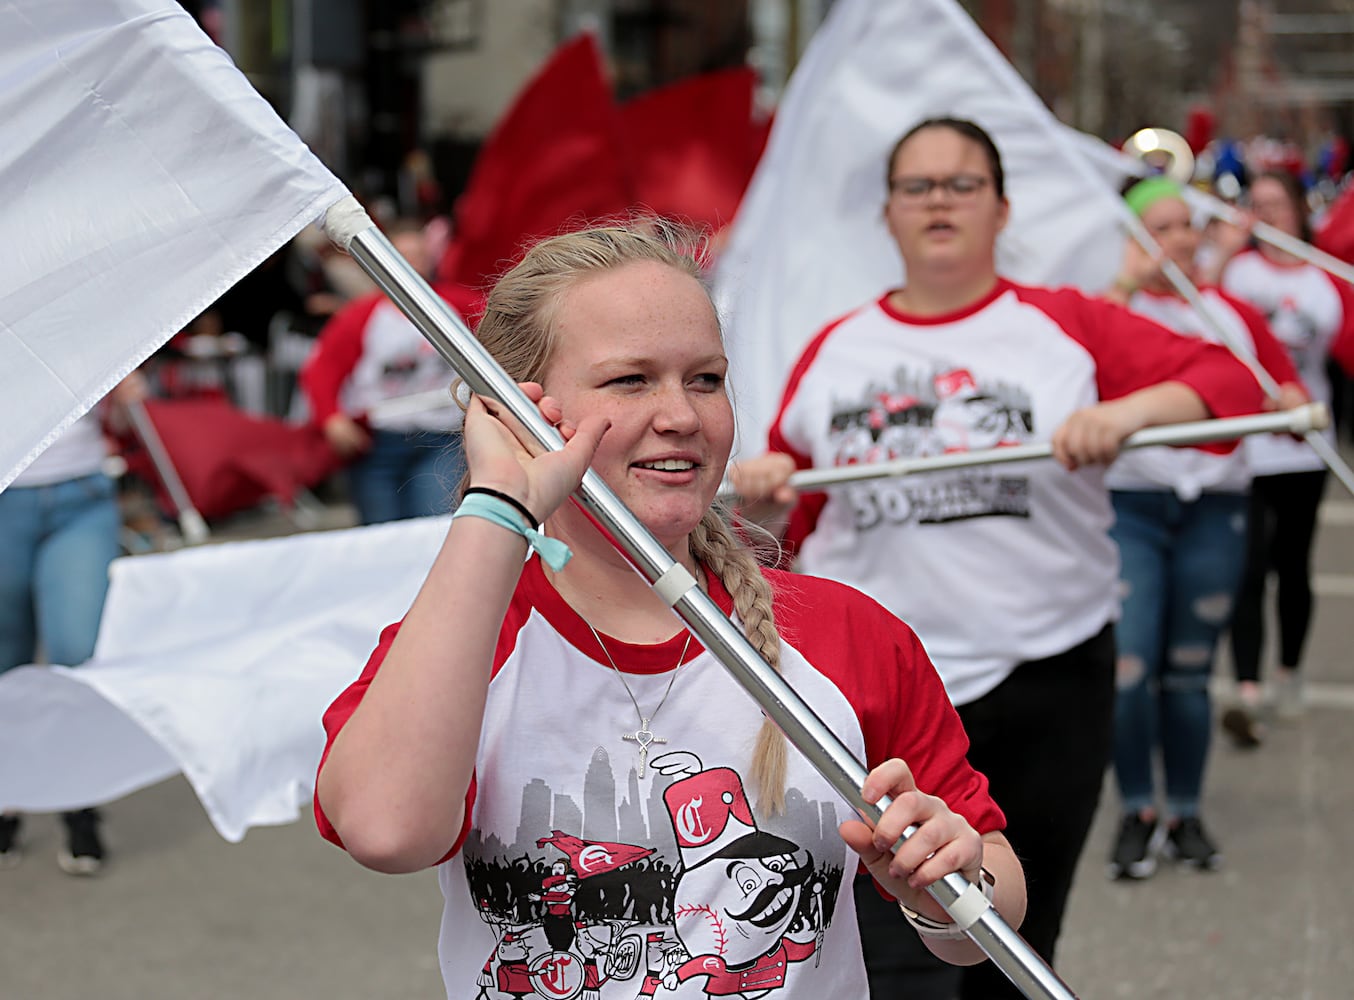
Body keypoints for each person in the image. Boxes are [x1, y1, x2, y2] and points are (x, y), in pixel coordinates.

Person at [313, 223, 1027, 1000]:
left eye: (706, 379)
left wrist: (948, 890)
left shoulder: (844, 632)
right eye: (630, 381)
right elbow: (386, 831)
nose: (681, 416)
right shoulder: (463, 638)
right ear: (515, 408)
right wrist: (500, 502)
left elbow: (988, 905)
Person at [730, 118, 1267, 999]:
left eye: (961, 183)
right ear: (889, 214)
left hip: (1047, 675)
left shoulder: (1066, 323)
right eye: (918, 186)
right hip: (881, 700)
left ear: (1002, 207)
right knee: (890, 947)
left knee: (1017, 942)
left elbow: (1233, 383)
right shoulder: (836, 349)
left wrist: (1126, 416)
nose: (939, 201)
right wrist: (763, 498)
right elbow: (782, 537)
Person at [1099, 177, 1303, 879]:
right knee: (1129, 668)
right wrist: (1125, 285)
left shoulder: (1236, 314)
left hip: (1216, 507)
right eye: (1159, 227)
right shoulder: (1108, 311)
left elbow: (1293, 394)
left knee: (1188, 673)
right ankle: (1137, 809)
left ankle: (1183, 810)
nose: (1179, 239)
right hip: (1131, 506)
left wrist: (1293, 405)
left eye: (1186, 224)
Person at [1208, 171, 1354, 744]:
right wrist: (1222, 251)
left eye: (1276, 205)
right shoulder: (1238, 271)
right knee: (1247, 567)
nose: (1266, 214)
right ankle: (1248, 687)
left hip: (1305, 441)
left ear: (1298, 212)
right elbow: (1205, 313)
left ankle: (1289, 671)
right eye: (1256, 205)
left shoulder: (1324, 278)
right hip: (1247, 442)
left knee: (1293, 565)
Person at [0, 374, 147, 875]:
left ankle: (78, 799)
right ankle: (9, 796)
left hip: (81, 491)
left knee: (77, 655)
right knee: (6, 665)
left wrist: (126, 390)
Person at [300, 220, 475, 525]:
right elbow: (321, 370)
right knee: (381, 534)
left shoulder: (460, 306)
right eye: (402, 255)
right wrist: (331, 418)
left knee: (435, 527)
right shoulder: (362, 316)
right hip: (377, 443)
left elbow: (504, 346)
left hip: (440, 437)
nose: (412, 264)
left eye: (418, 254)